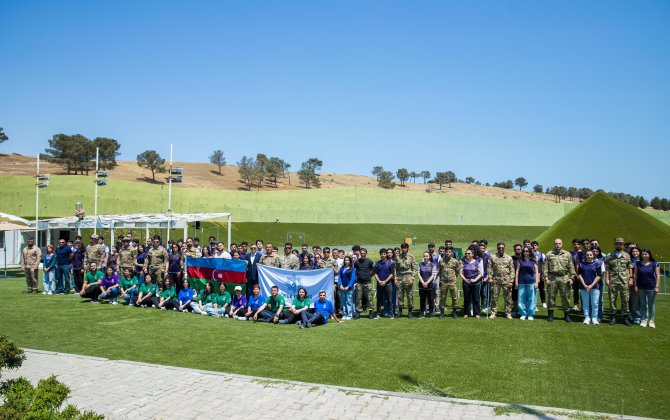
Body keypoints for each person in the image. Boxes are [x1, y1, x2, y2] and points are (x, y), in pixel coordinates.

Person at [543, 238, 576, 322]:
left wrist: (572, 278)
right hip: (552, 278)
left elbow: (571, 267)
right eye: (556, 243)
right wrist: (546, 278)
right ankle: (550, 315)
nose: (557, 245)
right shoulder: (549, 254)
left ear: (562, 244)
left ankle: (567, 315)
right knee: (551, 297)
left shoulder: (567, 254)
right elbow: (545, 267)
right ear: (554, 244)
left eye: (559, 243)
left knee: (565, 297)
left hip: (564, 277)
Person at [605, 238, 633, 326]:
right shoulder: (609, 255)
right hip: (613, 280)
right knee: (612, 299)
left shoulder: (627, 255)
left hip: (624, 280)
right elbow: (607, 269)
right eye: (617, 244)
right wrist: (607, 279)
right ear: (614, 244)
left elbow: (630, 267)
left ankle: (625, 317)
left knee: (625, 299)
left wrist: (631, 278)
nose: (619, 245)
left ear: (622, 245)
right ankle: (613, 317)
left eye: (620, 244)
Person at [488, 243, 516, 319]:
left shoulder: (509, 258)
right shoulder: (493, 257)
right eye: (499, 248)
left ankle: (508, 313)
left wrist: (511, 281)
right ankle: (493, 312)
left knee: (508, 298)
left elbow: (512, 271)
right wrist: (490, 277)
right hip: (496, 280)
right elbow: (489, 268)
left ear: (504, 248)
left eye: (502, 248)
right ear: (497, 248)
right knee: (494, 297)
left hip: (506, 281)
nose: (501, 249)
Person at [634, 249, 660, 328]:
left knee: (651, 304)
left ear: (649, 255)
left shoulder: (654, 264)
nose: (644, 256)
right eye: (642, 254)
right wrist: (635, 285)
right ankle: (644, 319)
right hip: (641, 287)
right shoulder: (637, 263)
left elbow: (658, 275)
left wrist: (657, 286)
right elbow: (635, 275)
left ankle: (651, 321)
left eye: (646, 254)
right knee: (642, 304)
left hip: (651, 287)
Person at [577, 250, 602, 325]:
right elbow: (579, 275)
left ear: (593, 255)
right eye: (587, 255)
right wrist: (584, 285)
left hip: (594, 287)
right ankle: (587, 317)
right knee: (585, 303)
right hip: (583, 287)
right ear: (585, 256)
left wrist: (591, 285)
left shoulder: (597, 264)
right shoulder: (581, 264)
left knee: (595, 303)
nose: (589, 256)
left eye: (591, 255)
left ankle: (594, 318)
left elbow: (599, 275)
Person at [515, 246, 539, 320]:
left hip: (531, 282)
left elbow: (537, 272)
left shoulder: (534, 261)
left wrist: (537, 282)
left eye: (527, 251)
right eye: (524, 251)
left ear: (530, 252)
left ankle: (530, 314)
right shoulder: (520, 261)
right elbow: (517, 272)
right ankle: (523, 313)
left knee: (531, 298)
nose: (525, 252)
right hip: (521, 282)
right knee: (521, 298)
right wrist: (516, 281)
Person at [396, 243, 417, 318]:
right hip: (400, 277)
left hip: (408, 277)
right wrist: (395, 278)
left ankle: (410, 311)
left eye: (405, 248)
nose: (404, 249)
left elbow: (414, 269)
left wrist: (412, 278)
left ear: (408, 248)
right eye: (403, 248)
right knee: (400, 295)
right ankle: (400, 311)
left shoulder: (411, 256)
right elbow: (395, 268)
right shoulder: (398, 257)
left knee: (409, 295)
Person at [438, 247, 460, 318]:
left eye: (449, 252)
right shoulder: (441, 261)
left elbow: (457, 271)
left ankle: (454, 312)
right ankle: (442, 312)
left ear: (452, 253)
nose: (448, 253)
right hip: (444, 282)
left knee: (454, 297)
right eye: (447, 252)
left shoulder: (455, 261)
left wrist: (453, 278)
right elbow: (440, 270)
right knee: (442, 297)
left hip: (452, 282)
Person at [354, 248, 376, 319]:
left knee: (369, 298)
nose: (363, 254)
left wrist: (369, 276)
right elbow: (355, 270)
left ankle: (370, 313)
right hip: (359, 283)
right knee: (358, 298)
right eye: (361, 253)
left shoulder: (369, 261)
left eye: (364, 253)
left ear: (366, 253)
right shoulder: (357, 262)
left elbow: (374, 270)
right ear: (360, 253)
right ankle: (358, 313)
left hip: (367, 283)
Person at [461, 248, 483, 319]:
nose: (467, 255)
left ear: (472, 255)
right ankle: (466, 313)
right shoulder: (463, 262)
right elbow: (460, 272)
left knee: (476, 298)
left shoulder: (477, 262)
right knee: (467, 298)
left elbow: (481, 273)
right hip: (466, 283)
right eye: (466, 253)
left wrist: (475, 280)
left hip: (475, 283)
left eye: (469, 253)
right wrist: (465, 279)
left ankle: (476, 313)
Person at [374, 249, 395, 318]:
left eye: (384, 254)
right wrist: (379, 281)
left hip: (388, 284)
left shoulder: (391, 263)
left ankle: (391, 313)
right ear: (380, 254)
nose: (383, 255)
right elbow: (375, 273)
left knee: (389, 299)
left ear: (386, 254)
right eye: (381, 254)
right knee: (379, 300)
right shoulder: (377, 263)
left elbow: (392, 274)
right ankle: (378, 313)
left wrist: (385, 281)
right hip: (379, 284)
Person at [417, 252, 437, 318]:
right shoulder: (420, 264)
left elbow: (433, 275)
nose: (425, 257)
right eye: (424, 256)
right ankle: (422, 312)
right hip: (421, 285)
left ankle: (431, 312)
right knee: (422, 300)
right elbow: (418, 274)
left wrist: (427, 282)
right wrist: (423, 282)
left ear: (429, 257)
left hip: (430, 285)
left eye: (427, 256)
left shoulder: (432, 265)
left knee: (431, 299)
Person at [531, 241, 547, 309]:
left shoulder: (542, 255)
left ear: (538, 246)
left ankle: (543, 302)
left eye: (535, 245)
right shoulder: (530, 254)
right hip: (532, 274)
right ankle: (534, 303)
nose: (534, 246)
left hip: (540, 274)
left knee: (542, 289)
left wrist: (544, 274)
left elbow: (544, 265)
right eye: (533, 245)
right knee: (534, 289)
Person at [628, 247, 641, 325]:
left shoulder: (643, 260)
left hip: (642, 282)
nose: (635, 253)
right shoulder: (630, 261)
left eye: (636, 251)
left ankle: (644, 316)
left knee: (643, 300)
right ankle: (636, 316)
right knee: (634, 300)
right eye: (633, 251)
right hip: (633, 282)